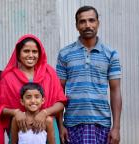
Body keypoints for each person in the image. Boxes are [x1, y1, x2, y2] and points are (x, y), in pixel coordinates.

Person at [56, 6, 122, 144]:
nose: (87, 25)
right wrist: (60, 125)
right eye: (82, 21)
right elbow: (58, 91)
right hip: (72, 124)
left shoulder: (111, 54)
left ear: (98, 23)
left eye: (91, 20)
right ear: (76, 25)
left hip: (101, 124)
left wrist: (116, 128)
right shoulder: (65, 54)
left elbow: (115, 91)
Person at [0, 34, 67, 144]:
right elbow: (0, 108)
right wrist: (16, 112)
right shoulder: (8, 77)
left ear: (40, 54)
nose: (31, 55)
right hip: (21, 127)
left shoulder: (49, 73)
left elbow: (60, 102)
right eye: (26, 51)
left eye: (35, 52)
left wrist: (44, 113)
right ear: (18, 53)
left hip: (48, 127)